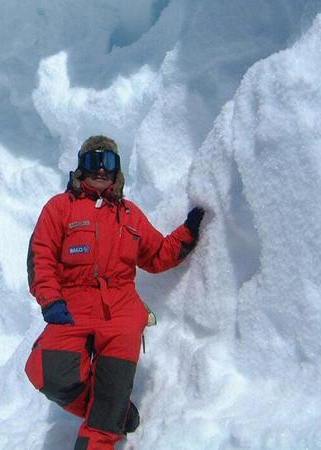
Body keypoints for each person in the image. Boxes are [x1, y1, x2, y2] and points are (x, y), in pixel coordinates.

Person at [24, 135, 204, 450]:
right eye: (95, 161)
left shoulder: (130, 215)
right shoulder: (59, 208)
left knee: (110, 396)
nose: (102, 170)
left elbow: (159, 254)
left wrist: (189, 231)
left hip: (122, 311)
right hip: (73, 306)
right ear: (81, 167)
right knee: (46, 372)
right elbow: (41, 256)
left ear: (118, 171)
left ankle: (107, 421)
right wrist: (50, 299)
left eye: (109, 163)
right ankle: (117, 411)